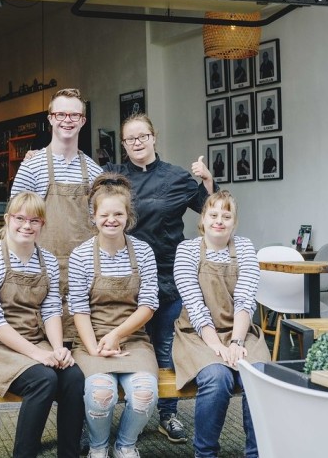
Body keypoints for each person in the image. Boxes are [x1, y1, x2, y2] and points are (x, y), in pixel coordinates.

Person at [102, 113, 216, 444]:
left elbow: (209, 211)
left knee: (166, 346)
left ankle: (168, 413)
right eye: (130, 139)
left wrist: (207, 180)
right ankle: (111, 415)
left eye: (142, 136)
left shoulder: (177, 177)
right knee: (122, 342)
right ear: (123, 145)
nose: (137, 143)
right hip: (125, 274)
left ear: (154, 137)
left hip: (168, 273)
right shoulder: (115, 178)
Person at [0, 192, 84, 458]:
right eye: (20, 218)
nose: (26, 226)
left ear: (42, 225)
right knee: (43, 379)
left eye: (34, 220)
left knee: (74, 377)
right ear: (7, 219)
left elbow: (52, 308)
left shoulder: (48, 261)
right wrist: (38, 354)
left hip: (33, 341)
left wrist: (57, 349)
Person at [172, 190, 269, 458]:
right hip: (197, 333)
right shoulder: (188, 250)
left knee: (258, 374)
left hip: (239, 329)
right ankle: (204, 453)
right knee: (217, 378)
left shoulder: (245, 247)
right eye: (213, 214)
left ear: (234, 223)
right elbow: (194, 305)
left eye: (227, 216)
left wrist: (237, 342)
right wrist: (217, 346)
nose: (219, 221)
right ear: (202, 219)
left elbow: (245, 300)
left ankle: (257, 452)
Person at [68, 173, 159, 458]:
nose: (111, 220)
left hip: (133, 340)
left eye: (118, 213)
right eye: (104, 214)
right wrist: (96, 346)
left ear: (128, 215)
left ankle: (125, 445)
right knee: (100, 394)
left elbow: (148, 305)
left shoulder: (143, 251)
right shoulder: (80, 255)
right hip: (90, 340)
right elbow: (79, 308)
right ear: (93, 216)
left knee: (145, 394)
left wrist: (117, 335)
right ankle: (98, 448)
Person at [11, 88, 103, 344]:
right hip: (40, 268)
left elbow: (103, 222)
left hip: (82, 272)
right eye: (61, 114)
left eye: (74, 115)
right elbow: (14, 218)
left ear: (83, 121)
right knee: (40, 340)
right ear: (50, 118)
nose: (67, 120)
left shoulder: (95, 171)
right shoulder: (32, 165)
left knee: (78, 342)